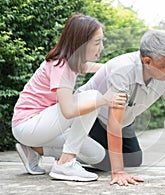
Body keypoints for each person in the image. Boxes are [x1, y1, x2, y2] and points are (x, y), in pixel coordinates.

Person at [11, 13, 127, 182]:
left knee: (97, 156)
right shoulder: (60, 65)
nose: (101, 47)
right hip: (28, 124)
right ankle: (65, 164)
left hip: (44, 127)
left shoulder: (72, 63)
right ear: (80, 43)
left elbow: (89, 67)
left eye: (102, 41)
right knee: (93, 97)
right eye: (97, 42)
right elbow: (68, 111)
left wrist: (114, 67)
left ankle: (36, 150)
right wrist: (104, 99)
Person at [76, 29, 165, 186]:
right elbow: (114, 123)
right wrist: (118, 172)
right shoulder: (123, 69)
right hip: (90, 115)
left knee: (134, 159)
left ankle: (83, 148)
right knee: (106, 163)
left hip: (124, 119)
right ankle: (58, 147)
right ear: (147, 61)